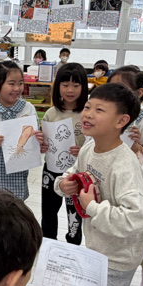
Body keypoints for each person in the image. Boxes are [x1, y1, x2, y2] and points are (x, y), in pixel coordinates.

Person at [55, 83, 143, 286]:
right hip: (99, 245)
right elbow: (75, 171)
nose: (88, 114)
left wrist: (93, 207)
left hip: (119, 255)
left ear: (121, 121)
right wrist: (65, 183)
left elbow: (136, 218)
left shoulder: (124, 165)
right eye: (88, 107)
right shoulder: (90, 147)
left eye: (99, 110)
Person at [106, 65, 143, 286]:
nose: (115, 92)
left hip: (130, 179)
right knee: (107, 222)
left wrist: (137, 143)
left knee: (136, 231)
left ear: (138, 93)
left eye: (122, 88)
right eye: (112, 87)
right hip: (106, 176)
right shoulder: (107, 112)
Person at [0, 60, 47, 200]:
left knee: (13, 208)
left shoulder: (28, 108)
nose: (17, 88)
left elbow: (34, 137)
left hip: (17, 172)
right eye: (11, 83)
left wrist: (39, 140)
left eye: (20, 83)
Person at [40, 62, 88, 245]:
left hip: (78, 173)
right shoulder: (50, 114)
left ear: (83, 87)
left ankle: (73, 247)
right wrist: (42, 146)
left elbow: (96, 143)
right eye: (65, 84)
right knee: (49, 211)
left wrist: (83, 150)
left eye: (76, 85)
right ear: (58, 86)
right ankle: (48, 243)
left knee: (74, 214)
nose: (70, 90)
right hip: (51, 169)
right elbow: (44, 142)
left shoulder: (88, 113)